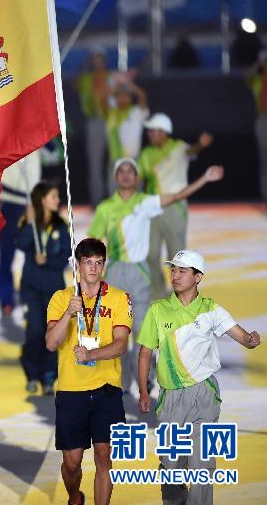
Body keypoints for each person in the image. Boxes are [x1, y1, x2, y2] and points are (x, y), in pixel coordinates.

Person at [88, 158, 223, 392]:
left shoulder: (145, 203)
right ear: (115, 177)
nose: (127, 175)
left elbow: (177, 197)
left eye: (131, 171)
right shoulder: (105, 208)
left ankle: (146, 378)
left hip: (140, 273)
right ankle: (115, 381)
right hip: (115, 274)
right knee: (115, 334)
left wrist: (205, 178)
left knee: (142, 332)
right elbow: (93, 243)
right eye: (122, 171)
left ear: (137, 178)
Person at [137, 249, 260, 505]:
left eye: (182, 270)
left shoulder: (210, 309)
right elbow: (145, 352)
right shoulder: (158, 310)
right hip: (170, 398)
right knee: (171, 468)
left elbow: (241, 336)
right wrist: (143, 391)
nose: (175, 275)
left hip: (203, 394)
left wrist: (251, 340)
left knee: (202, 465)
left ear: (198, 277)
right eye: (173, 269)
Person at [45, 238, 132, 505]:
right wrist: (68, 315)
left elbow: (120, 345)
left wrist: (91, 354)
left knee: (104, 457)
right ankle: (74, 497)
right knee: (71, 463)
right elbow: (51, 343)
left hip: (107, 387)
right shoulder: (61, 298)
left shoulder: (118, 298)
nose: (93, 269)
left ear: (104, 265)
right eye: (87, 263)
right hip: (72, 390)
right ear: (78, 265)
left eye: (98, 263)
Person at [138, 113, 212, 300]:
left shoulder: (178, 148)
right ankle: (157, 292)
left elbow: (191, 151)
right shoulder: (147, 154)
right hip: (153, 208)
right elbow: (139, 178)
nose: (150, 134)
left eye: (154, 131)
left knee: (177, 257)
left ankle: (179, 295)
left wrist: (201, 145)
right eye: (150, 131)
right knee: (150, 254)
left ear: (164, 132)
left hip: (175, 209)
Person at [16, 181, 71, 396]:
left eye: (58, 197)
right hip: (32, 289)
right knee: (34, 332)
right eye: (54, 197)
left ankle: (49, 376)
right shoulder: (29, 222)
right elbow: (20, 244)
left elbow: (66, 256)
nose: (58, 201)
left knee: (53, 334)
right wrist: (29, 223)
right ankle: (31, 374)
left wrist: (47, 260)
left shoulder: (61, 225)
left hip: (54, 290)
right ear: (42, 200)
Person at [0, 152, 41, 318]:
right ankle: (6, 299)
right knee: (6, 255)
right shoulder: (6, 135)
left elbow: (54, 153)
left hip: (32, 205)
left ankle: (30, 300)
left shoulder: (38, 135)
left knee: (34, 256)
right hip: (9, 203)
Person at [75, 49, 113, 204]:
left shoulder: (110, 77)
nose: (98, 64)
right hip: (93, 121)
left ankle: (113, 196)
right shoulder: (86, 79)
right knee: (95, 162)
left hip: (111, 121)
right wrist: (85, 64)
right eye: (95, 61)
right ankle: (97, 199)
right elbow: (75, 84)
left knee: (114, 159)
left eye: (100, 60)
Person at [105, 80, 148, 167]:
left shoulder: (136, 112)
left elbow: (142, 96)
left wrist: (129, 84)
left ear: (131, 98)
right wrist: (116, 86)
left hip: (133, 159)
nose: (123, 98)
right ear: (115, 98)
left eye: (126, 96)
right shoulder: (110, 112)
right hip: (114, 160)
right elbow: (102, 98)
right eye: (120, 96)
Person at [245, 52, 267, 200]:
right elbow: (247, 75)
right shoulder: (257, 80)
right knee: (265, 159)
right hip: (263, 119)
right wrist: (259, 64)